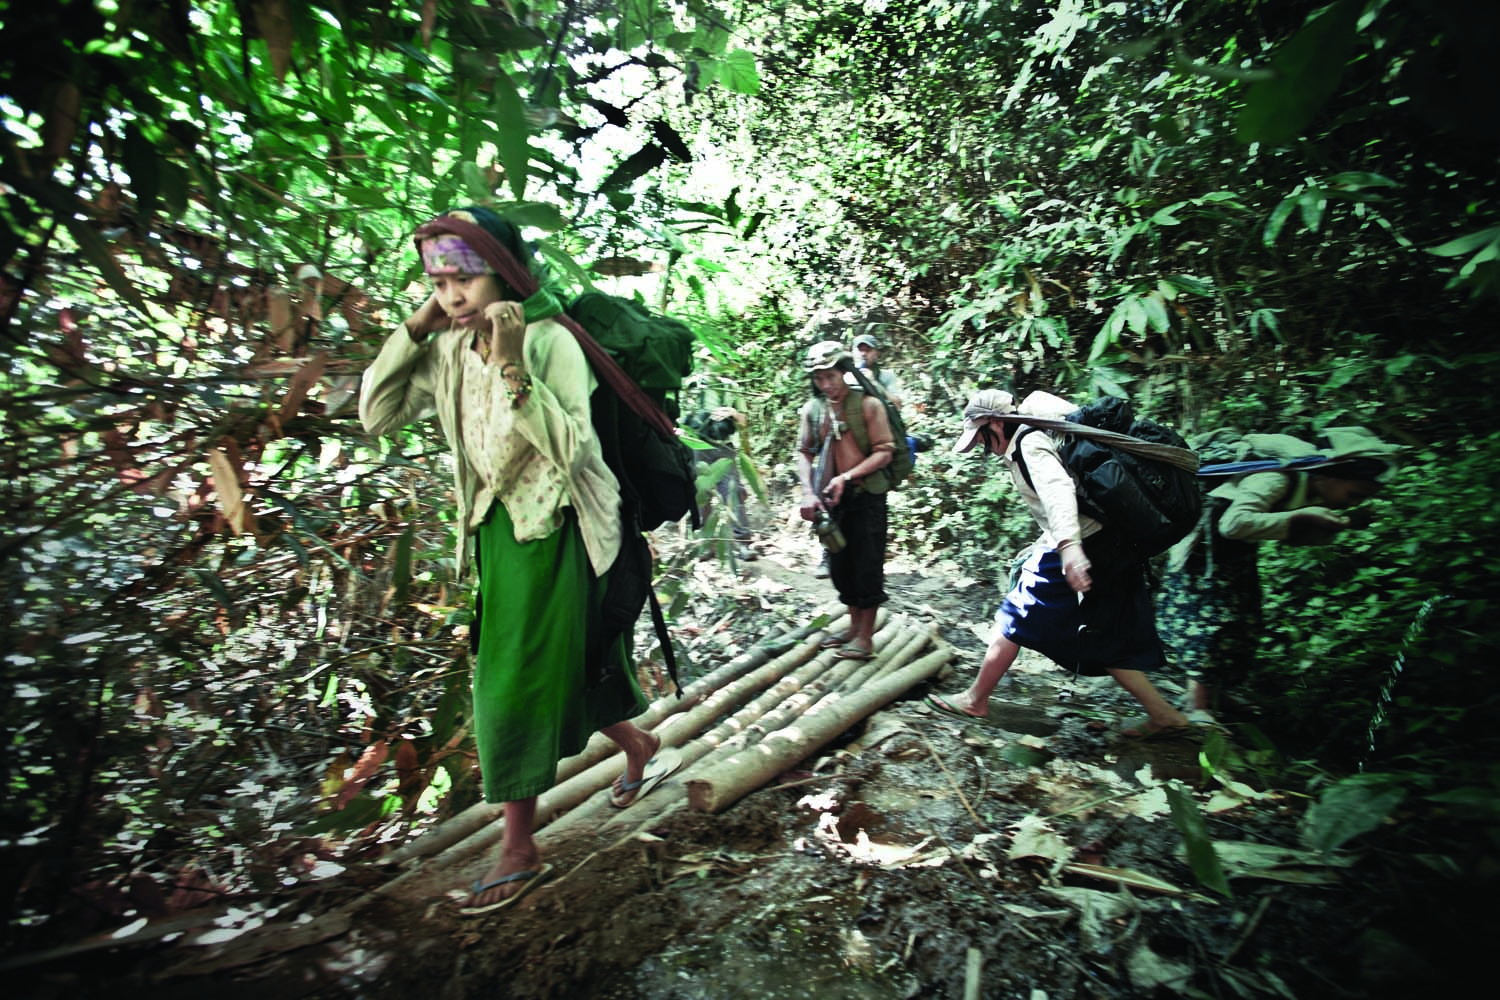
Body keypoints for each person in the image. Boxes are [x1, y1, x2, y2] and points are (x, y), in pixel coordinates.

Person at [359, 207, 681, 916]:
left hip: (556, 529)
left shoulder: (550, 340)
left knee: (504, 686)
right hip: (495, 532)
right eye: (436, 281)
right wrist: (416, 328)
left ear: (501, 271)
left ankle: (519, 848)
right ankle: (640, 744)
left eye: (462, 278)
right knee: (561, 667)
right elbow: (376, 416)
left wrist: (511, 369)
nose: (450, 295)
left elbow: (573, 450)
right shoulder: (445, 347)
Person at [926, 389, 1191, 738]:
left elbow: (1058, 489)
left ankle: (976, 699)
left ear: (995, 424)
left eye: (981, 437)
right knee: (1105, 634)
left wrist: (1068, 547)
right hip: (1109, 543)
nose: (982, 447)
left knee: (1016, 611)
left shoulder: (1029, 444)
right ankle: (1164, 714)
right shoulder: (1036, 439)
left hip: (1086, 544)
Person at [1157, 429, 1398, 723]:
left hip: (1236, 551)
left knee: (1245, 620)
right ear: (1328, 475)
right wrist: (1298, 517)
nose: (1354, 503)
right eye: (1354, 495)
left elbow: (1280, 530)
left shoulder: (1313, 487)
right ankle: (1196, 705)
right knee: (1213, 625)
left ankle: (1217, 693)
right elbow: (1233, 524)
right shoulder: (1277, 477)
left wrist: (1332, 522)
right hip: (1203, 546)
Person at [796, 341, 896, 660]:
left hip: (867, 497)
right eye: (819, 378)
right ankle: (853, 629)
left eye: (831, 377)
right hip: (831, 502)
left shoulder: (869, 406)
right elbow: (803, 452)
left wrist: (847, 477)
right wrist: (809, 491)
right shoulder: (813, 411)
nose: (826, 384)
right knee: (841, 566)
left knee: (867, 566)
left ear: (844, 372)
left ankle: (865, 638)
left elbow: (884, 451)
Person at [852, 332, 904, 408]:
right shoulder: (847, 377)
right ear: (853, 353)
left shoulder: (887, 375)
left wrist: (874, 383)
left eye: (867, 350)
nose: (863, 354)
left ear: (876, 353)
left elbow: (898, 405)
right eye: (860, 350)